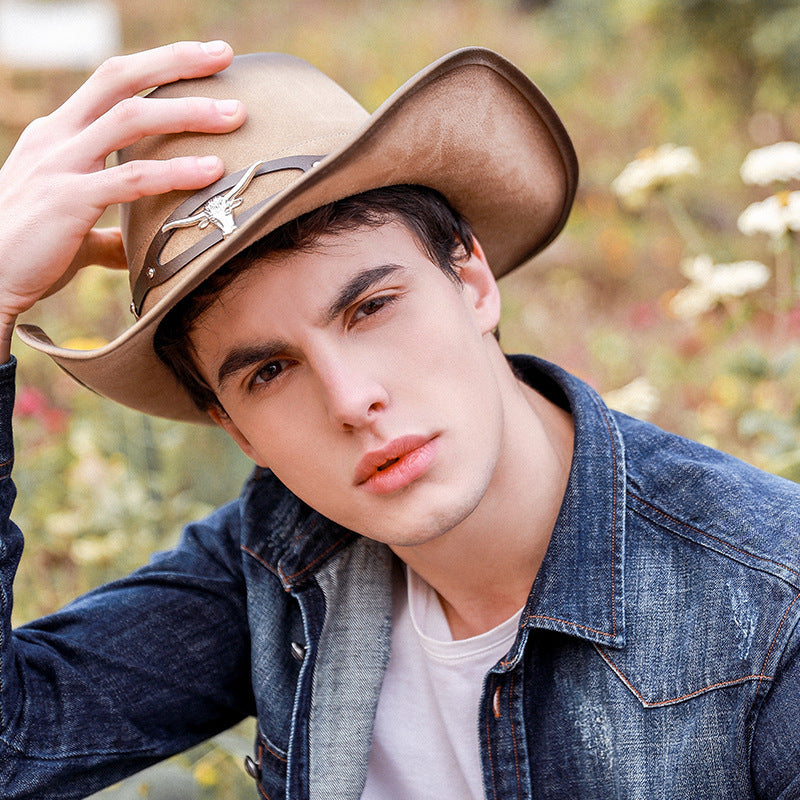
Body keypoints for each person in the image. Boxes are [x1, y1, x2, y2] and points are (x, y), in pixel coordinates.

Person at [0, 39, 798, 800]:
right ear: (236, 429)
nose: (351, 401)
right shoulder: (282, 554)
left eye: (372, 306)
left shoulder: (770, 613)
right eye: (271, 371)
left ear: (471, 278)